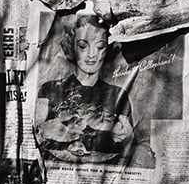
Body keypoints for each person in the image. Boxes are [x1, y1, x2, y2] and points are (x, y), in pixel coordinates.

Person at [34, 14, 139, 164]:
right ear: (72, 46)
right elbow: (36, 135)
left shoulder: (117, 94)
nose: (92, 55)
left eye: (100, 47)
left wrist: (123, 134)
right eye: (83, 46)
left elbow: (126, 143)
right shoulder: (49, 89)